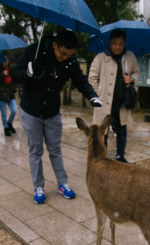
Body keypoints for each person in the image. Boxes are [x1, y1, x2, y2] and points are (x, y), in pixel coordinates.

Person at [12, 30, 102, 204]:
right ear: (55, 45)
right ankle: (39, 186)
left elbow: (81, 81)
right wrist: (26, 73)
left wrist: (92, 96)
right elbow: (15, 73)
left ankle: (62, 183)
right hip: (31, 110)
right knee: (35, 151)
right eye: (62, 53)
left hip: (52, 112)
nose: (65, 58)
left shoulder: (69, 62)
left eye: (69, 55)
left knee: (55, 150)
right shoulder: (34, 52)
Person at [88, 29, 140, 163]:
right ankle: (102, 156)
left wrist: (132, 79)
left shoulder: (130, 57)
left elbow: (137, 72)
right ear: (110, 43)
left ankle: (120, 155)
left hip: (122, 102)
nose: (117, 46)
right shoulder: (100, 57)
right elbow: (92, 78)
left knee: (122, 130)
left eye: (121, 43)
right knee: (102, 131)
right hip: (104, 102)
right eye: (114, 43)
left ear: (124, 44)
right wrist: (97, 94)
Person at [0, 54, 17, 136]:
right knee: (4, 112)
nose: (5, 61)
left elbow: (14, 81)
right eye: (3, 59)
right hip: (0, 95)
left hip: (10, 94)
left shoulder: (11, 69)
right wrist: (2, 74)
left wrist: (14, 89)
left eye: (7, 59)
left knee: (14, 110)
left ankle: (9, 123)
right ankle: (6, 128)